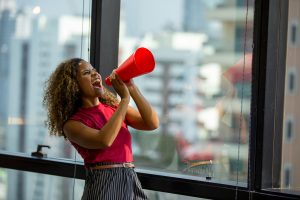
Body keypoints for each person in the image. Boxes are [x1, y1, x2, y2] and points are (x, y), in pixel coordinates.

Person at [43, 58, 159, 200]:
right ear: (74, 85)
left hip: (130, 179)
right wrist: (124, 100)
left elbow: (152, 123)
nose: (95, 75)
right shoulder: (72, 125)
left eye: (95, 71)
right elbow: (104, 140)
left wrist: (131, 88)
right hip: (103, 184)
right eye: (87, 73)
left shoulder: (114, 108)